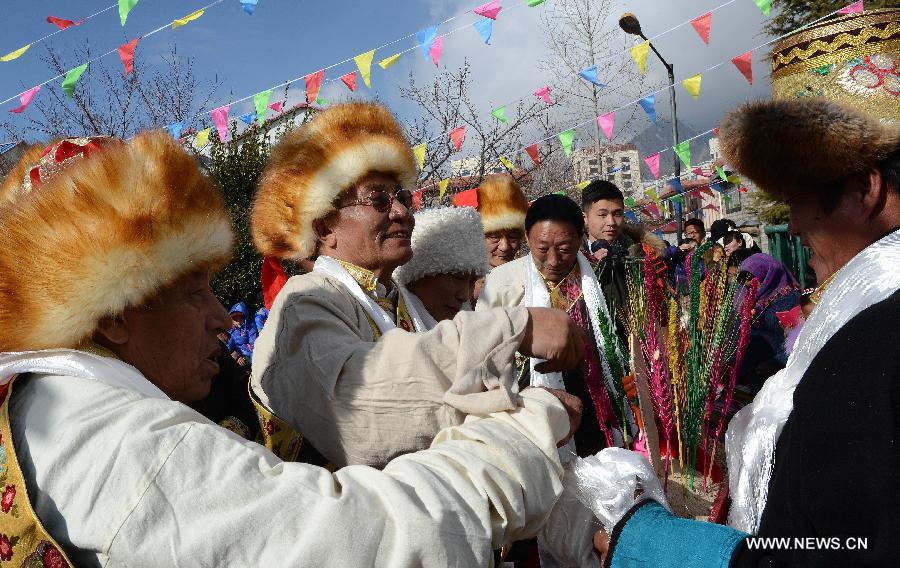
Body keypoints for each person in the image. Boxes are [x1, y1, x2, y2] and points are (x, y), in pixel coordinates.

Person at [0, 131, 584, 567]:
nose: (221, 318)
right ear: (116, 310)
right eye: (379, 198)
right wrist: (522, 423)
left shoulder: (393, 300)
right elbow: (354, 528)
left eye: (402, 196)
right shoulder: (118, 443)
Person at [591, 97, 900, 566]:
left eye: (797, 200)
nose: (792, 225)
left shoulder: (873, 343)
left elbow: (834, 549)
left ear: (865, 188)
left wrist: (646, 540)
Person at [250, 101, 585, 468]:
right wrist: (515, 328)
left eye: (402, 197)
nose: (401, 212)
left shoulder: (401, 300)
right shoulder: (306, 300)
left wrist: (530, 407)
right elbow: (360, 413)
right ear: (324, 226)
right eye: (378, 198)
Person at [479, 194, 638, 458]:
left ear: (580, 237)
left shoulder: (603, 277)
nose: (553, 261)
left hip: (595, 406)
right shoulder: (502, 282)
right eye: (542, 249)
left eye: (564, 249)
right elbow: (484, 354)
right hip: (528, 407)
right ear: (527, 239)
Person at [581, 180, 666, 343]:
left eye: (617, 214)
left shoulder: (645, 254)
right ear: (585, 218)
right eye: (602, 215)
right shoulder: (571, 260)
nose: (611, 222)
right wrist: (590, 266)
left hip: (642, 350)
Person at [394, 207, 488, 331]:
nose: (464, 295)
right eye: (457, 277)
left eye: (472, 282)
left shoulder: (467, 333)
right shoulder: (383, 323)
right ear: (418, 275)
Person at [226, 301, 254, 366]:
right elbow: (229, 347)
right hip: (241, 356)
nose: (238, 322)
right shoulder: (233, 332)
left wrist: (254, 364)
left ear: (245, 317)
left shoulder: (250, 328)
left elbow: (254, 346)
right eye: (235, 319)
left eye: (240, 318)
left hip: (251, 356)